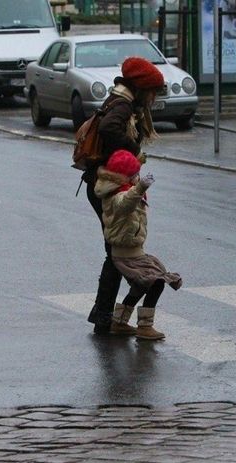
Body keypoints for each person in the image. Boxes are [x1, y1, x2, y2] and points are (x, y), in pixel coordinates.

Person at [82, 56, 166, 335]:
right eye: (153, 92)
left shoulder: (120, 102)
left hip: (109, 182)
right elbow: (108, 129)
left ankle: (108, 316)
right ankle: (108, 317)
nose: (153, 99)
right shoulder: (122, 105)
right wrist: (133, 151)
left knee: (115, 252)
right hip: (108, 185)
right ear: (142, 89)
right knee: (116, 253)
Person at [94, 150, 181, 340]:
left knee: (142, 285)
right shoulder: (116, 195)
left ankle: (119, 321)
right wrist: (140, 188)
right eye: (135, 175)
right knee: (156, 281)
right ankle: (145, 326)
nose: (138, 177)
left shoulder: (121, 190)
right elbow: (125, 204)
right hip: (125, 255)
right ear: (126, 176)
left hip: (133, 252)